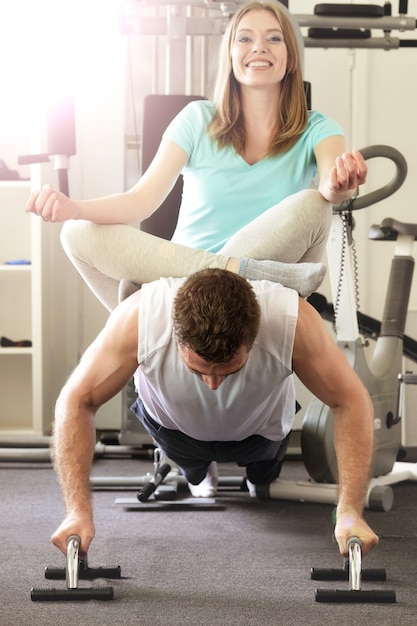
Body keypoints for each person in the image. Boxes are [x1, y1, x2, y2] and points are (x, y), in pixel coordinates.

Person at [26, 1, 367, 311]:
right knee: (75, 233)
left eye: (274, 39)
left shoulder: (319, 128)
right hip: (183, 286)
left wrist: (340, 185)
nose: (259, 47)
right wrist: (74, 208)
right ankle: (229, 273)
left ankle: (204, 284)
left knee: (314, 204)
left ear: (291, 57)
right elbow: (140, 201)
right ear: (230, 57)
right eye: (244, 39)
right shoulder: (197, 118)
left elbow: (329, 189)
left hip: (247, 295)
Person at [50, 268, 379, 561]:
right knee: (194, 471)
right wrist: (76, 511)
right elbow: (78, 400)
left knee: (262, 479)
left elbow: (350, 401)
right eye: (199, 370)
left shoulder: (291, 320)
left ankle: (257, 479)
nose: (212, 385)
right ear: (176, 336)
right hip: (175, 430)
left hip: (261, 432)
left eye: (227, 371)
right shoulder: (141, 316)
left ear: (254, 336)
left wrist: (350, 508)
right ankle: (199, 472)